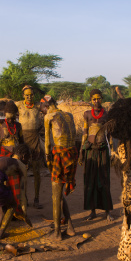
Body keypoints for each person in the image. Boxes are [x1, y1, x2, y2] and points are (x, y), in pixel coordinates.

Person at [40, 95, 78, 241]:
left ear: (46, 105)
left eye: (42, 109)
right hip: (72, 155)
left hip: (60, 155)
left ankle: (57, 232)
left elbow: (48, 143)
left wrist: (48, 159)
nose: (42, 112)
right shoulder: (69, 115)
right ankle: (70, 227)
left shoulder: (49, 116)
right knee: (60, 192)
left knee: (56, 194)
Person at [79, 89, 114, 222]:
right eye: (94, 99)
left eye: (98, 98)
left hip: (103, 150)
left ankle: (107, 212)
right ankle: (92, 211)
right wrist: (81, 152)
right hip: (90, 150)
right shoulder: (87, 114)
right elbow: (85, 133)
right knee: (90, 181)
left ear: (102, 99)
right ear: (91, 100)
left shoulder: (107, 115)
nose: (96, 101)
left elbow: (109, 135)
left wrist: (111, 151)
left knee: (104, 181)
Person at [15, 85, 44, 209]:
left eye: (31, 94)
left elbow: (50, 111)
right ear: (23, 95)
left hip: (35, 141)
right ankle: (24, 198)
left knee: (37, 171)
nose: (29, 97)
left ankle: (36, 199)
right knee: (22, 171)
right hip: (23, 141)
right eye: (27, 95)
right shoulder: (19, 105)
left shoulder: (38, 106)